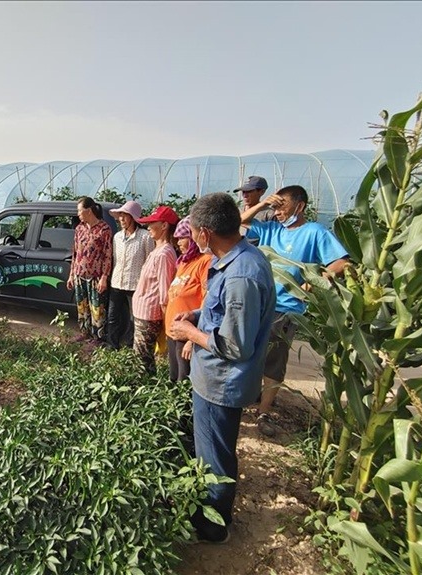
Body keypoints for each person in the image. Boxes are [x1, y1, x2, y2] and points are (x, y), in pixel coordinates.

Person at [168, 192, 276, 544]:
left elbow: (236, 345)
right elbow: (224, 313)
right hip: (212, 378)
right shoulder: (232, 260)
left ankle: (213, 527)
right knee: (213, 451)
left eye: (193, 230)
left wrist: (190, 333)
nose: (191, 236)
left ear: (205, 233)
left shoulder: (242, 275)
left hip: (222, 382)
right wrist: (197, 315)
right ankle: (211, 513)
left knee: (215, 457)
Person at [242, 184, 349, 436]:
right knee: (249, 353)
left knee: (274, 361)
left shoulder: (314, 232)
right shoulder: (271, 229)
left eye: (282, 207)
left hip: (286, 307)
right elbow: (239, 222)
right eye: (275, 207)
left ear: (299, 206)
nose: (277, 213)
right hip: (259, 304)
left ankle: (264, 412)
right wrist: (262, 204)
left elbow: (341, 263)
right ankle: (251, 397)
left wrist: (312, 282)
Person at [130, 205, 179, 375]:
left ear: (164, 225)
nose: (148, 227)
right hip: (144, 312)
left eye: (152, 223)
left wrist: (166, 325)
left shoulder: (164, 254)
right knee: (141, 355)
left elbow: (165, 293)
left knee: (143, 358)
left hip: (149, 314)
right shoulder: (158, 250)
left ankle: (145, 386)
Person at [165, 216, 213, 383]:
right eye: (177, 238)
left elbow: (206, 301)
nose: (178, 243)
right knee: (173, 377)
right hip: (173, 330)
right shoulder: (184, 262)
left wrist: (192, 340)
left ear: (193, 239)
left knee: (184, 380)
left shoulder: (205, 262)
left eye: (182, 238)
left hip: (187, 332)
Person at [106, 200, 154, 350]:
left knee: (134, 318)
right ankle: (112, 345)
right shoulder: (117, 237)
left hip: (135, 285)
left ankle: (129, 345)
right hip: (117, 282)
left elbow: (150, 261)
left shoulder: (145, 237)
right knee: (113, 316)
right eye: (120, 215)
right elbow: (115, 259)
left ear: (133, 218)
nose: (121, 219)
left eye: (124, 216)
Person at [66, 197, 113, 343]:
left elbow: (108, 255)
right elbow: (75, 254)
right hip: (79, 274)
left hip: (96, 276)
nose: (78, 214)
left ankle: (97, 338)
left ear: (89, 211)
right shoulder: (79, 229)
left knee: (97, 308)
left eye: (79, 211)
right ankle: (84, 332)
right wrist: (71, 275)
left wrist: (104, 277)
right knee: (82, 306)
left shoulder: (104, 229)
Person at [235, 176, 274, 242]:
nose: (245, 195)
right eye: (243, 192)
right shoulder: (236, 211)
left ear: (262, 192)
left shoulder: (269, 213)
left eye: (249, 191)